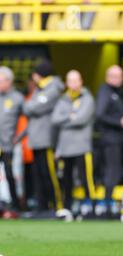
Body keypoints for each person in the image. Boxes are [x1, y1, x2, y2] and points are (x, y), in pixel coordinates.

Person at [51, 70, 95, 221]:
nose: (73, 84)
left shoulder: (87, 98)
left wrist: (68, 118)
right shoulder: (63, 99)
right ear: (67, 83)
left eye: (76, 80)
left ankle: (91, 209)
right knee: (66, 180)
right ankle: (67, 209)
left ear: (81, 81)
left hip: (82, 147)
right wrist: (71, 115)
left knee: (86, 179)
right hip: (65, 148)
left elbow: (81, 119)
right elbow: (54, 119)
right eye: (70, 81)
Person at [23, 60, 64, 213]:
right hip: (37, 139)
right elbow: (27, 107)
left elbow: (33, 107)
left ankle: (58, 205)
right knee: (39, 175)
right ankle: (42, 206)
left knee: (50, 175)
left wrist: (31, 106)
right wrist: (31, 106)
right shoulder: (40, 89)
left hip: (47, 139)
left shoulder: (53, 88)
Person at [95, 65, 123, 218]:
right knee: (112, 172)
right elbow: (99, 115)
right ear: (109, 77)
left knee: (113, 172)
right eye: (118, 76)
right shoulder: (106, 92)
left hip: (115, 139)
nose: (121, 79)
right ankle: (106, 206)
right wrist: (120, 121)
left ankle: (108, 205)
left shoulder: (115, 93)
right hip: (109, 140)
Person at [0, 66, 23, 213]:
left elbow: (31, 119)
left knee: (10, 175)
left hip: (8, 144)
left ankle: (16, 205)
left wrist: (19, 137)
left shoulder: (17, 98)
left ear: (9, 81)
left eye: (1, 80)